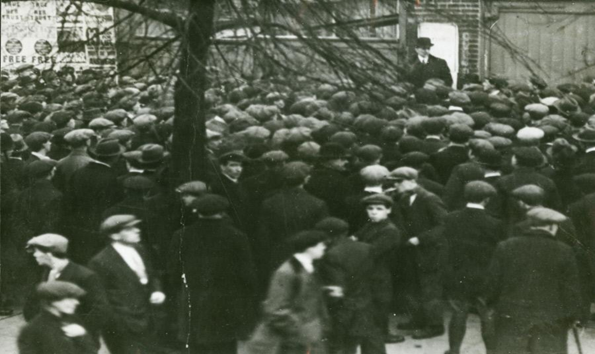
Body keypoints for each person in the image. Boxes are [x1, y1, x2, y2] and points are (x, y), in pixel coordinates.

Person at [484, 208, 582, 354]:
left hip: (511, 316)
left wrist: (492, 305)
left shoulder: (505, 246)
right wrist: (574, 316)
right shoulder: (565, 251)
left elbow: (492, 283)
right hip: (551, 320)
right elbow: (570, 290)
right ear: (551, 226)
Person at [171, 194, 257, 354]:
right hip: (226, 302)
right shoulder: (237, 236)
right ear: (222, 212)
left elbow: (174, 271)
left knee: (195, 346)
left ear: (197, 212)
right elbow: (247, 274)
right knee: (224, 346)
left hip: (193, 300)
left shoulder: (181, 235)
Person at [88, 214, 166, 354]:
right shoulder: (100, 261)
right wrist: (118, 322)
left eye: (136, 227)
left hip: (149, 318)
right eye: (129, 229)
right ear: (115, 236)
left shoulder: (140, 249)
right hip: (124, 325)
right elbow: (100, 297)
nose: (137, 230)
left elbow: (151, 275)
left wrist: (156, 290)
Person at [443, 181, 504, 354]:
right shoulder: (495, 223)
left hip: (459, 273)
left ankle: (454, 350)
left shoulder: (451, 218)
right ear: (487, 199)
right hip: (485, 274)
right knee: (487, 315)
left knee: (458, 312)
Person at [246, 230, 329, 354]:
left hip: (306, 340)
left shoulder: (306, 268)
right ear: (309, 247)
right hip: (293, 344)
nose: (324, 247)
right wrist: (300, 332)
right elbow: (276, 311)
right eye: (322, 244)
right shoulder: (286, 272)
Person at [388, 167, 447, 339]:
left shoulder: (429, 199)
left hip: (430, 251)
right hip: (412, 251)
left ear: (412, 181)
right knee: (413, 286)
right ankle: (418, 319)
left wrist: (421, 239)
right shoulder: (403, 198)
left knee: (430, 288)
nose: (396, 185)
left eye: (399, 182)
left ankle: (435, 325)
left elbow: (443, 225)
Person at [318, 217, 387, 354]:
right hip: (368, 306)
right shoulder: (367, 248)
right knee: (373, 346)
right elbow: (377, 278)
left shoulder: (330, 255)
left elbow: (337, 288)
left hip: (344, 311)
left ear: (328, 236)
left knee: (342, 347)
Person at [23, 234, 108, 344]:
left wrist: (82, 328)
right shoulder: (47, 272)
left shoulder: (85, 276)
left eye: (37, 251)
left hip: (78, 343)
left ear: (49, 254)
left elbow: (102, 309)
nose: (34, 255)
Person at [354, 194, 404, 344]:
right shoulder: (371, 225)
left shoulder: (390, 230)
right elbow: (355, 238)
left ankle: (382, 333)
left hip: (379, 271)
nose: (374, 212)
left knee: (381, 302)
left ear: (388, 210)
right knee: (372, 302)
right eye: (370, 208)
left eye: (379, 209)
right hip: (368, 270)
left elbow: (372, 251)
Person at [18, 281, 98, 354]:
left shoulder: (73, 320)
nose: (76, 302)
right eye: (70, 298)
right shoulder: (32, 330)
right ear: (53, 301)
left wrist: (82, 335)